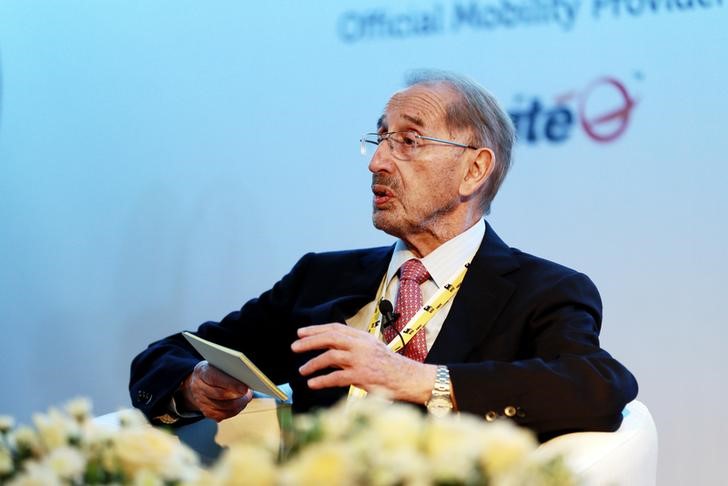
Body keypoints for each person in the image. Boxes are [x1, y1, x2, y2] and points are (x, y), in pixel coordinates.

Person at [129, 70, 638, 441]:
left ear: (475, 169)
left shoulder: (541, 291)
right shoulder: (321, 279)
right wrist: (194, 385)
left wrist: (420, 381)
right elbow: (167, 355)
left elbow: (599, 386)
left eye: (409, 141)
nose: (377, 162)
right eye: (380, 139)